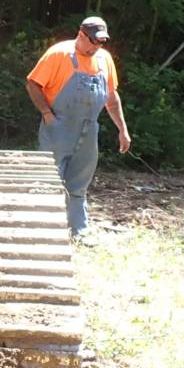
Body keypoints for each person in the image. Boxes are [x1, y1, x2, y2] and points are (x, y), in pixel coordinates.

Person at [24, 16, 131, 238]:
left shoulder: (104, 60)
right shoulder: (59, 54)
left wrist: (123, 129)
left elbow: (111, 97)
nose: (97, 47)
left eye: (101, 42)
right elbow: (33, 84)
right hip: (58, 128)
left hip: (89, 130)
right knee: (48, 181)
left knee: (79, 183)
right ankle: (39, 231)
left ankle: (78, 232)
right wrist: (47, 114)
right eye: (93, 41)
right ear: (81, 35)